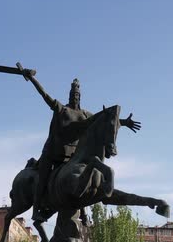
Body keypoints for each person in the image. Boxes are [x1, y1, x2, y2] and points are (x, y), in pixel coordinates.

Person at [26, 73, 141, 221]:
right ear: (69, 96)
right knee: (42, 178)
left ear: (80, 97)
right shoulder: (62, 109)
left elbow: (104, 121)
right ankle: (36, 210)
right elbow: (45, 95)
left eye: (77, 95)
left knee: (81, 176)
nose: (75, 97)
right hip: (53, 153)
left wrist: (124, 122)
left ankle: (83, 212)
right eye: (72, 94)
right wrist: (32, 78)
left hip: (72, 155)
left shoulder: (85, 114)